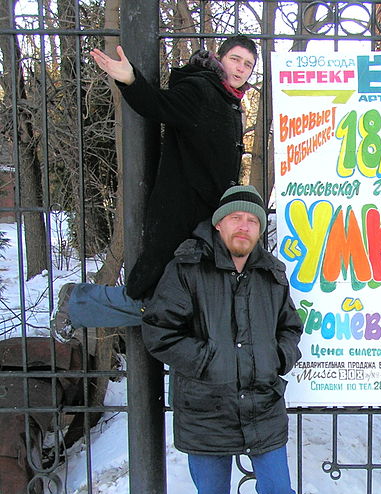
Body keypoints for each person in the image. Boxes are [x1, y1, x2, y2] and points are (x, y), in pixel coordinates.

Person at [141, 185, 308, 494]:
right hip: (206, 406)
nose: (245, 226)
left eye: (253, 221)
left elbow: (290, 327)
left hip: (262, 403)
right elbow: (160, 331)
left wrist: (276, 359)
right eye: (237, 218)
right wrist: (210, 363)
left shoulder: (271, 274)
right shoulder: (187, 268)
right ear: (219, 224)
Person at [51, 35, 258, 341]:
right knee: (162, 302)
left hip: (207, 222)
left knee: (189, 302)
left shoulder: (229, 102)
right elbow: (158, 104)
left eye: (248, 65)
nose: (241, 69)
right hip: (180, 216)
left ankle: (81, 303)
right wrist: (131, 80)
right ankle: (80, 302)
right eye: (235, 59)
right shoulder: (202, 90)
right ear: (220, 58)